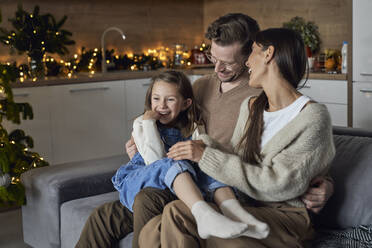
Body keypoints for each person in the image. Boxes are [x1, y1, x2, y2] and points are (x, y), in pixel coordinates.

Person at [76, 13, 333, 248]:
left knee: (161, 210)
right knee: (103, 217)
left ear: (253, 57)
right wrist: (141, 138)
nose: (217, 69)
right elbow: (165, 114)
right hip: (187, 178)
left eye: (228, 63)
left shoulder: (260, 94)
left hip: (215, 188)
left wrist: (327, 184)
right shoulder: (205, 90)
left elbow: (300, 163)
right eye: (213, 58)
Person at [111, 70, 269, 240]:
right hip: (140, 179)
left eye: (170, 99)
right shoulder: (142, 124)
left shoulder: (194, 126)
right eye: (156, 99)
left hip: (177, 180)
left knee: (208, 164)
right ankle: (203, 215)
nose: (162, 105)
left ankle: (236, 213)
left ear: (185, 104)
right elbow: (156, 161)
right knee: (170, 163)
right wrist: (149, 123)